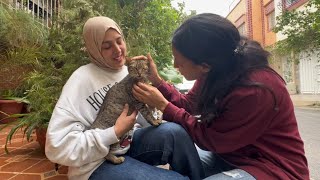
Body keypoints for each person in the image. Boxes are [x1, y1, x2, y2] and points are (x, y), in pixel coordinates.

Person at [132, 13, 310, 179]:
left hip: (270, 167)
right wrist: (157, 82)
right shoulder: (216, 70)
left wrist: (164, 106)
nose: (175, 65)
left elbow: (211, 139)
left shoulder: (255, 89)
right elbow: (190, 104)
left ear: (204, 65)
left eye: (180, 61)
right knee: (178, 146)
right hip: (231, 156)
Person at [45, 16, 204, 180]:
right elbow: (56, 147)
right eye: (107, 46)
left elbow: (142, 117)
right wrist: (114, 132)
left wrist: (155, 101)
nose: (117, 50)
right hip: (95, 164)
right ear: (93, 49)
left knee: (175, 132)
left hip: (128, 145)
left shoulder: (128, 72)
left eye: (119, 41)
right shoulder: (80, 80)